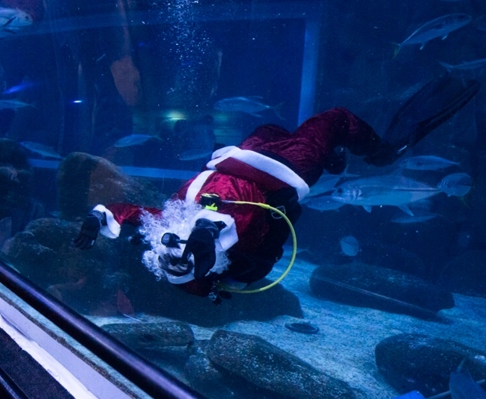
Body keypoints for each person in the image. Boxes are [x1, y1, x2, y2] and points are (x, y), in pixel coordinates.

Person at [72, 106, 453, 301]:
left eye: (166, 253)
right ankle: (381, 152)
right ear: (205, 263)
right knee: (333, 120)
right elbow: (246, 212)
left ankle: (335, 156)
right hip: (285, 170)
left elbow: (138, 215)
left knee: (268, 128)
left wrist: (99, 216)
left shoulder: (168, 229)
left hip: (238, 155)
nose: (172, 246)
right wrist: (208, 230)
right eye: (183, 260)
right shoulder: (240, 245)